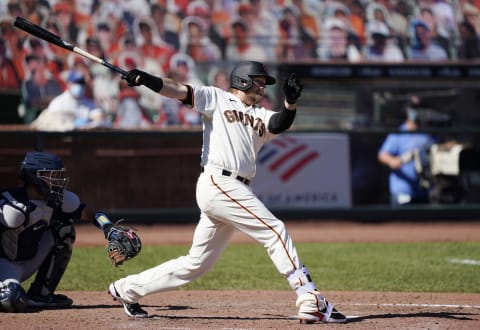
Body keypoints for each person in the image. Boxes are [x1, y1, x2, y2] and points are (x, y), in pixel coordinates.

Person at [107, 61, 347, 324]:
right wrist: (146, 79)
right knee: (274, 230)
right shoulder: (216, 98)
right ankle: (308, 296)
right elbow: (178, 90)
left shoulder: (260, 114)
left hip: (233, 188)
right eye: (259, 80)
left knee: (196, 263)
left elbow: (279, 123)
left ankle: (125, 289)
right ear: (243, 80)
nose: (262, 86)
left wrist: (290, 103)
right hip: (219, 181)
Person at [0, 151, 85, 312]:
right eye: (50, 175)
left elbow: (87, 212)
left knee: (64, 230)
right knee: (12, 299)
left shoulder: (57, 200)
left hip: (28, 261)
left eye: (57, 175)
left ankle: (41, 295)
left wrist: (108, 227)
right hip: (4, 267)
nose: (57, 180)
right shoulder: (10, 204)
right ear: (33, 177)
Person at [378, 98, 437, 206]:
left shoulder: (428, 134)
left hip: (424, 193)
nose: (418, 112)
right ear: (408, 111)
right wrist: (393, 161)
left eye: (420, 109)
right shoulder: (398, 133)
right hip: (403, 193)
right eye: (414, 109)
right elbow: (382, 154)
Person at [31, 70, 110, 131]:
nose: (79, 86)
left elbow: (99, 116)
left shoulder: (89, 103)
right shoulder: (58, 102)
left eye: (81, 83)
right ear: (68, 84)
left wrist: (95, 118)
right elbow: (51, 125)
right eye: (76, 83)